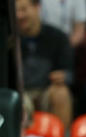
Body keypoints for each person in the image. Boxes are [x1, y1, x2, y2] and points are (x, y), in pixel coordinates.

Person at [16, 0, 74, 129]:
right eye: (16, 11)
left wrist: (64, 76)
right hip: (21, 91)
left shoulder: (58, 37)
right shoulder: (9, 40)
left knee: (62, 93)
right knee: (14, 99)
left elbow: (71, 73)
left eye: (24, 9)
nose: (20, 15)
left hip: (46, 90)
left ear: (37, 7)